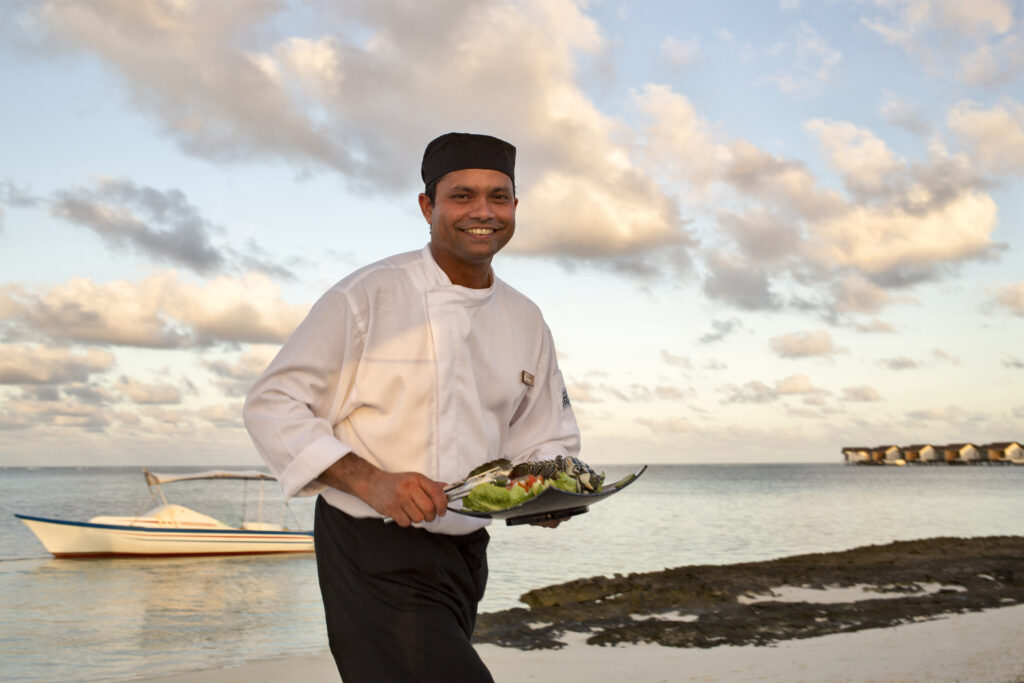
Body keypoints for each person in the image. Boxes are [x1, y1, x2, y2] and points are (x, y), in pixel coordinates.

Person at [243, 132, 581, 682]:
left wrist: (546, 493)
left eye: (499, 197)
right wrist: (372, 480)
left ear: (516, 207)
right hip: (371, 550)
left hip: (466, 554)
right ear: (427, 207)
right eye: (462, 196)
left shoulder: (525, 318)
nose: (483, 212)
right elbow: (272, 403)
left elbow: (545, 436)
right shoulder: (367, 295)